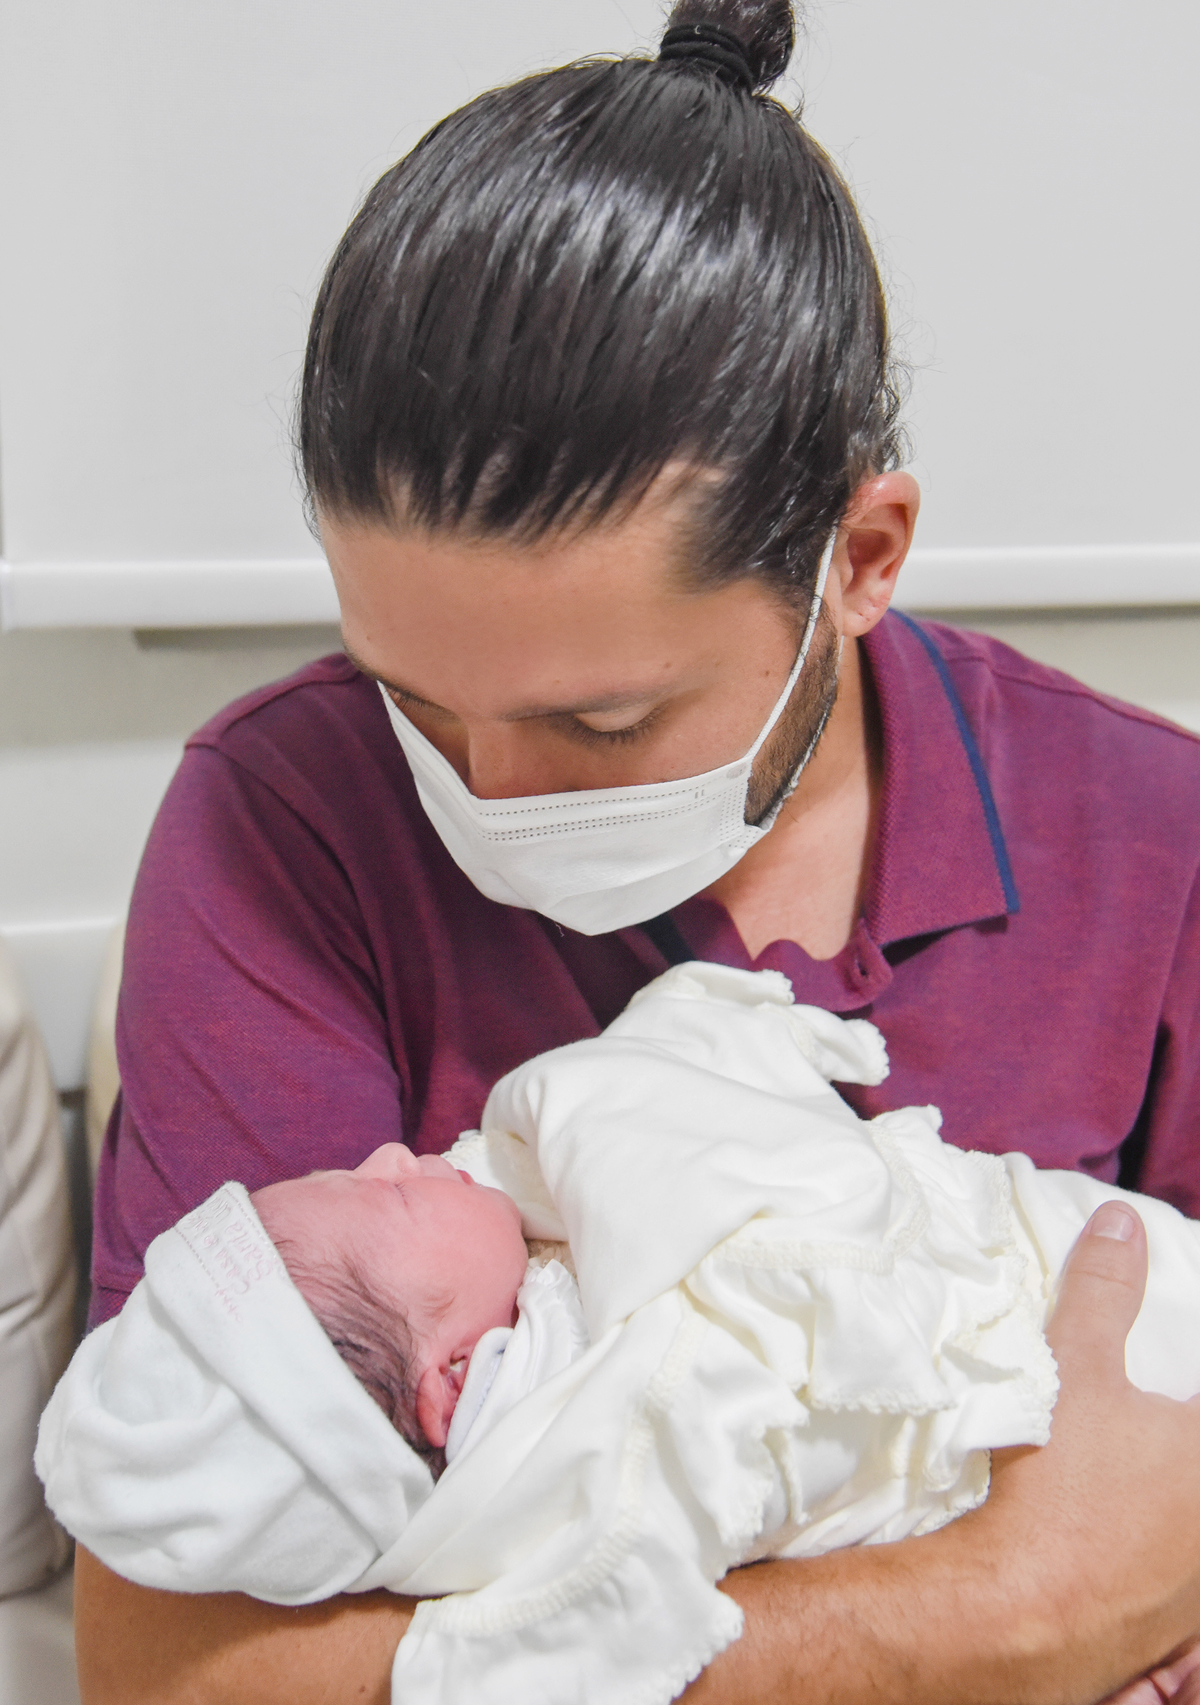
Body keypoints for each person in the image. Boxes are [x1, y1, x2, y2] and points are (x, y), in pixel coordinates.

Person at [76, 1, 1200, 1701]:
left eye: (602, 724)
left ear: (860, 558)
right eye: (413, 698)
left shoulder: (1149, 843)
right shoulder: (289, 821)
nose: (491, 794)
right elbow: (181, 1673)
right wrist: (1013, 1609)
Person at [66, 969, 1200, 1705]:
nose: (394, 1155)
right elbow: (561, 1642)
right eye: (392, 1197)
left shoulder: (1152, 810)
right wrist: (1030, 1602)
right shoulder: (600, 1437)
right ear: (450, 1383)